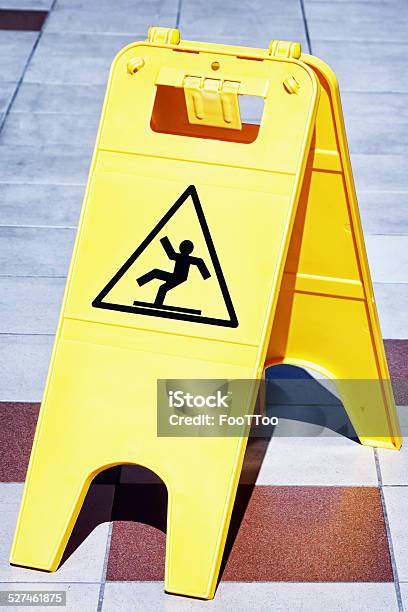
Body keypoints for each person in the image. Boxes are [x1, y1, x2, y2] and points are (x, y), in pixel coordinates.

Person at [136, 236, 210, 306]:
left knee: (156, 274)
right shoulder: (182, 257)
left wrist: (164, 241)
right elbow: (171, 255)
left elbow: (199, 262)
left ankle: (141, 284)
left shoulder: (187, 258)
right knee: (162, 287)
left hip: (178, 277)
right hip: (177, 277)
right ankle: (157, 303)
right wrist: (164, 241)